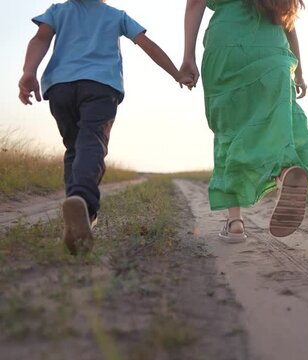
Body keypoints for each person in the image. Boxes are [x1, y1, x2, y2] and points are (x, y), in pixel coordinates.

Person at [18, 0, 192, 255]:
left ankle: (76, 214)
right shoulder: (116, 16)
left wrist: (28, 72)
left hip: (60, 87)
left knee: (75, 148)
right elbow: (148, 45)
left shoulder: (57, 11)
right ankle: (84, 205)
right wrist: (177, 74)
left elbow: (40, 39)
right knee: (92, 143)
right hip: (100, 86)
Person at [181, 0, 308, 242]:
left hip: (227, 44)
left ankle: (235, 222)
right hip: (272, 47)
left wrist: (188, 57)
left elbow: (195, 3)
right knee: (278, 121)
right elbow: (286, 19)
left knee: (229, 130)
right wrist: (299, 72)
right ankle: (286, 172)